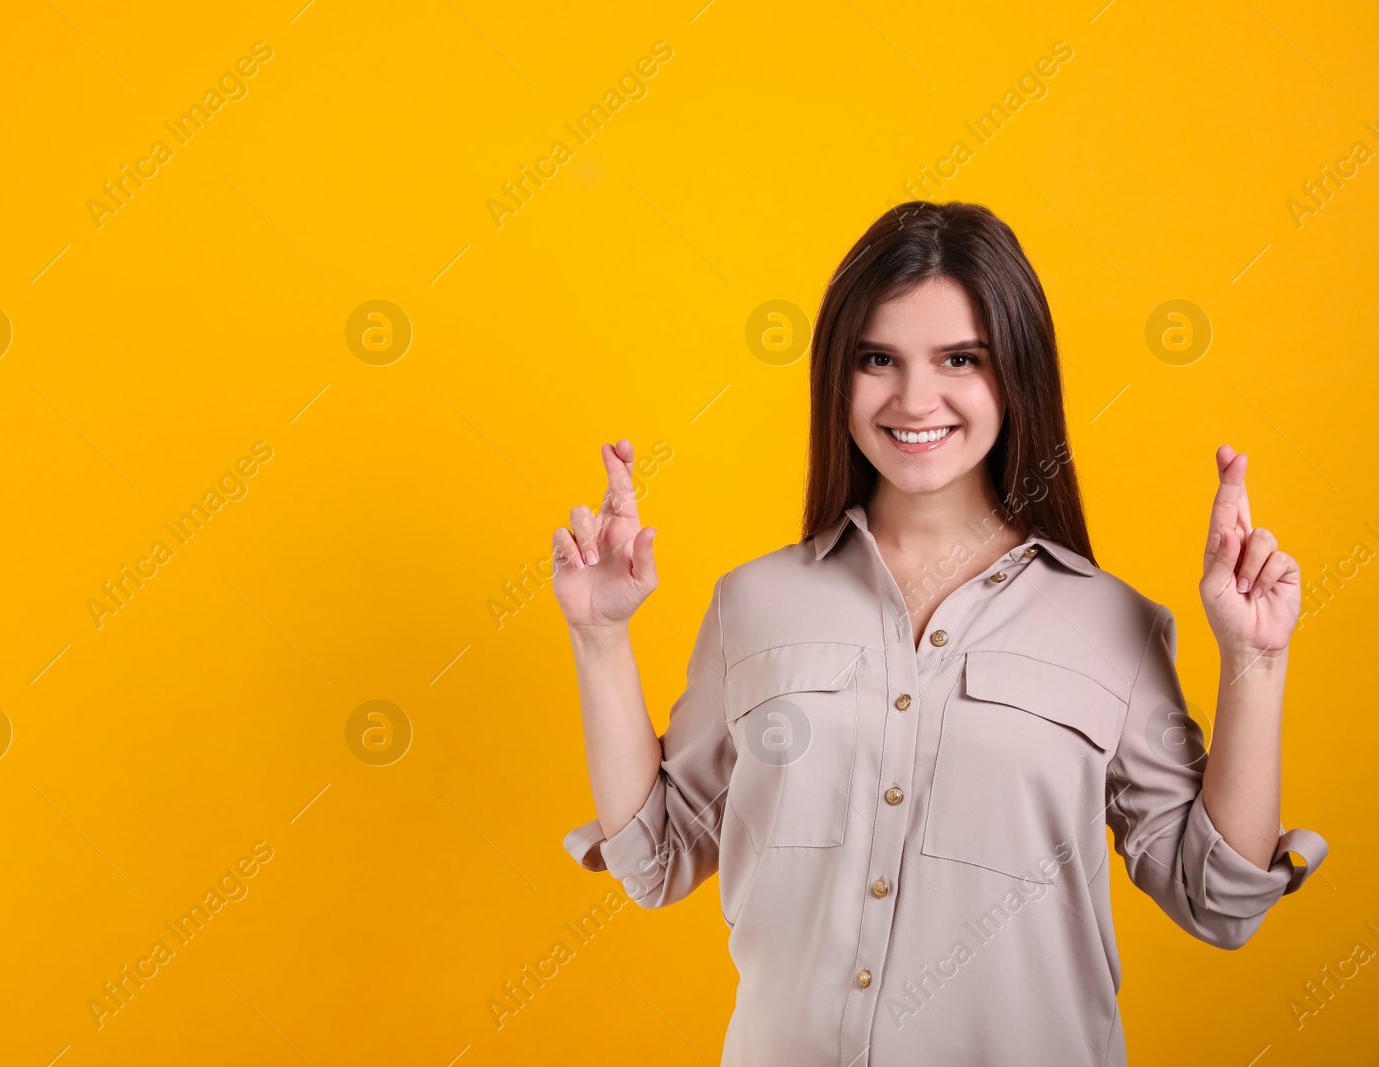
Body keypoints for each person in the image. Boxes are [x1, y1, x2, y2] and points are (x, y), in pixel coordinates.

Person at [552, 201, 1327, 1066]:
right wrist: (600, 637)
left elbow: (1219, 902)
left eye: (961, 359)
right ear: (836, 379)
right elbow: (656, 860)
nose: (915, 399)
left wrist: (1256, 661)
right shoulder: (754, 604)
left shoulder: (1114, 625)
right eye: (877, 358)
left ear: (1017, 376)